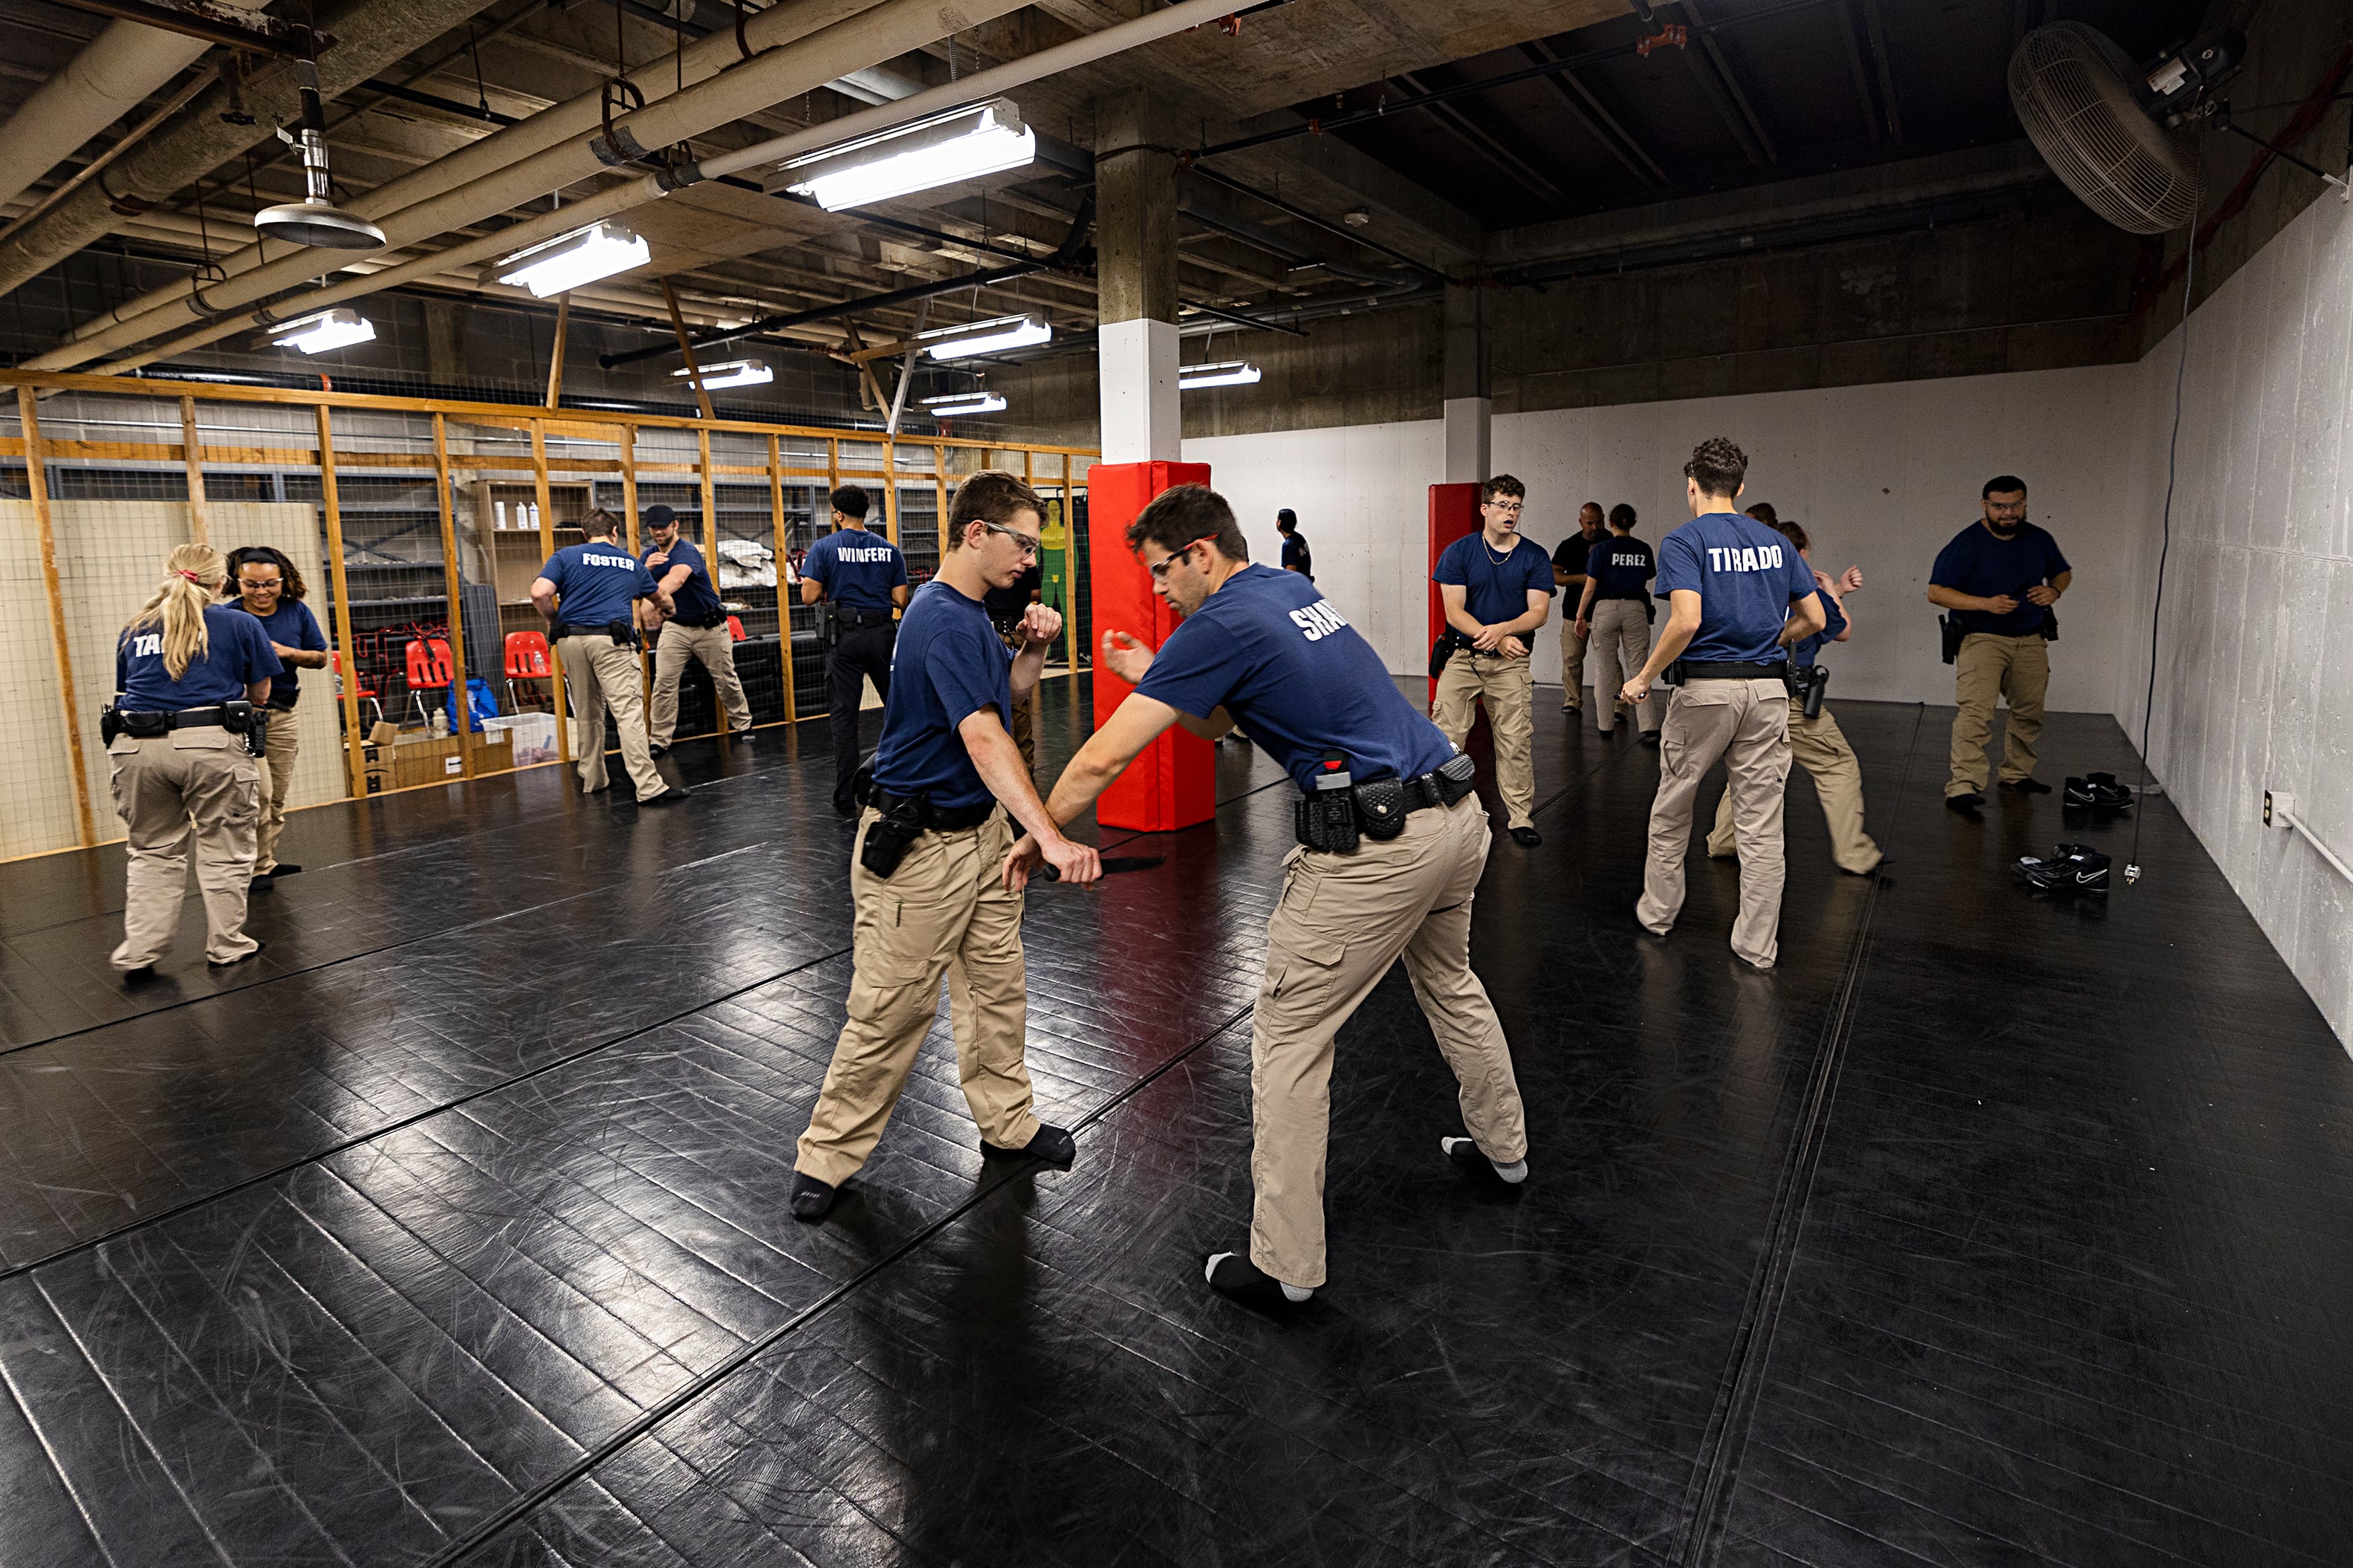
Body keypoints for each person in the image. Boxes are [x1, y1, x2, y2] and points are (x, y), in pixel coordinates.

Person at [1005, 484, 1529, 1309]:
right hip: (1457, 819)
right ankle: (1505, 1149)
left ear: (1201, 552)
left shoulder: (1217, 621)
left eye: (1160, 570)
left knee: (1288, 1039)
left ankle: (1285, 1264)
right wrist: (1152, 670)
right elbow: (1223, 723)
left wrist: (1039, 833)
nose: (1155, 588)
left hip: (1378, 850)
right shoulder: (1286, 590)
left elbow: (1102, 760)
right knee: (1450, 981)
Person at [789, 472, 1100, 1221]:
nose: (1029, 557)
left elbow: (1006, 695)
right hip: (919, 851)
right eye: (1020, 541)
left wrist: (1030, 648)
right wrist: (1050, 837)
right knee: (889, 1010)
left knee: (997, 992)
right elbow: (984, 735)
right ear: (975, 533)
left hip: (980, 842)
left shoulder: (966, 614)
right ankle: (826, 1156)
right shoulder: (944, 618)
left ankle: (1008, 1123)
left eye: (1033, 544)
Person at [1620, 438, 1824, 971]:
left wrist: (1643, 676)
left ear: (1691, 484)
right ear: (1739, 487)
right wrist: (1769, 642)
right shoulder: (1776, 544)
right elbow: (1815, 620)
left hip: (1704, 692)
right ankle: (1757, 946)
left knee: (1672, 809)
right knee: (1760, 828)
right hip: (1766, 692)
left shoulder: (1684, 541)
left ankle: (1658, 914)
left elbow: (1685, 621)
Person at [107, 544, 280, 978]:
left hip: (136, 748)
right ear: (222, 583)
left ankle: (139, 952)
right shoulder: (239, 622)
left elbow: (127, 689)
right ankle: (227, 945)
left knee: (151, 851)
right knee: (225, 849)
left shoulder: (135, 628)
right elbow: (260, 695)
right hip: (209, 747)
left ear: (168, 576)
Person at [1707, 513, 1882, 876]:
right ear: (1800, 553)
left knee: (1749, 769)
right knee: (1837, 767)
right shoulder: (1811, 595)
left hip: (1744, 695)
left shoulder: (1747, 587)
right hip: (1791, 701)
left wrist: (1836, 592)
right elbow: (1839, 630)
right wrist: (1833, 592)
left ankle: (1724, 840)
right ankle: (1855, 854)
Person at [1929, 476, 2071, 814]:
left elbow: (2062, 572)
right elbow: (1936, 592)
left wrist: (2054, 591)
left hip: (2031, 636)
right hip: (1982, 636)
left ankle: (2016, 773)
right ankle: (1963, 785)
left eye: (2015, 505)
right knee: (1976, 712)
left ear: (2025, 503)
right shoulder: (1967, 544)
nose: (2008, 513)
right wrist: (1985, 604)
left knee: (2030, 710)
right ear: (1984, 505)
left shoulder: (2038, 538)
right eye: (1999, 506)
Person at [1430, 474, 1554, 848]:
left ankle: (1519, 817)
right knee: (1446, 737)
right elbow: (1454, 611)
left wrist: (1502, 631)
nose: (1510, 513)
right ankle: (1439, 811)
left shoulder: (1534, 555)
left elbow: (1539, 612)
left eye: (1516, 507)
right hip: (1463, 657)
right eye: (1502, 505)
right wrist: (1496, 638)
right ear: (1485, 508)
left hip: (1510, 664)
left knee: (1515, 741)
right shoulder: (1460, 552)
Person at [530, 508, 684, 807]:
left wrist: (554, 620)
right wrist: (670, 611)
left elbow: (539, 593)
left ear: (583, 534)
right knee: (628, 713)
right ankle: (648, 787)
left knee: (587, 711)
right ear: (615, 533)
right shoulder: (629, 561)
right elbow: (660, 598)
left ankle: (593, 779)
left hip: (571, 640)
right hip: (611, 640)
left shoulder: (566, 556)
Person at [802, 484, 910, 816]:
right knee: (899, 710)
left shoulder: (824, 547)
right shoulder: (888, 549)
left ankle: (846, 795)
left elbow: (808, 596)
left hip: (844, 637)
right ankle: (901, 782)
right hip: (881, 635)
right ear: (866, 513)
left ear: (837, 513)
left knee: (844, 717)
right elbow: (901, 599)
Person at [223, 544, 326, 885]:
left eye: (270, 584)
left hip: (282, 714)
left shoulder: (296, 612)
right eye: (252, 584)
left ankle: (264, 863)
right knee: (257, 794)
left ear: (283, 581)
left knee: (277, 795)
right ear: (237, 582)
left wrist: (287, 653)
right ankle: (246, 868)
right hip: (243, 717)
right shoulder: (229, 617)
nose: (262, 591)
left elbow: (320, 657)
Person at [638, 503, 753, 754]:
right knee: (664, 683)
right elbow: (633, 584)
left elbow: (676, 579)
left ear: (675, 526)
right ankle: (659, 740)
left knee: (725, 679)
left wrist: (649, 602)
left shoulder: (686, 551)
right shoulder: (648, 557)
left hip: (709, 626)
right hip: (676, 628)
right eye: (654, 528)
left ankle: (744, 725)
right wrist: (645, 571)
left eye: (663, 527)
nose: (658, 532)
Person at [1572, 504, 1662, 744]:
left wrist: (1580, 616)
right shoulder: (1643, 549)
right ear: (1632, 523)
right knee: (1640, 668)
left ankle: (1605, 726)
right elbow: (1648, 576)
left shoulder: (1602, 549)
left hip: (1605, 609)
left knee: (1604, 670)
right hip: (1636, 608)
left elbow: (1590, 587)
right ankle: (1649, 727)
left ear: (1610, 523)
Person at [984, 557, 1045, 772]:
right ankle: (1025, 765)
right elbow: (1035, 594)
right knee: (1019, 704)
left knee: (990, 704)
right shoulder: (1027, 561)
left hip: (993, 632)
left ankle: (1005, 766)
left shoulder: (989, 559)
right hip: (1017, 630)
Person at [1551, 501, 1604, 713]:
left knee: (1608, 662)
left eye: (1598, 522)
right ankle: (1572, 701)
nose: (1594, 528)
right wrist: (1583, 579)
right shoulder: (1569, 545)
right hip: (1573, 612)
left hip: (1603, 611)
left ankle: (1618, 704)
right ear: (1580, 522)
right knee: (1571, 659)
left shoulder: (1611, 542)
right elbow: (1554, 575)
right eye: (1589, 523)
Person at [1276, 508, 1312, 579]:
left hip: (1299, 586)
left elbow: (1290, 576)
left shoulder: (1288, 546)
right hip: (1306, 582)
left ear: (1279, 522)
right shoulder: (1299, 537)